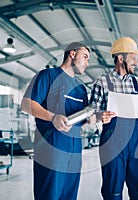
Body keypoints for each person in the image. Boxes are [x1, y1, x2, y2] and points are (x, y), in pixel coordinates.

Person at [21, 42, 90, 200]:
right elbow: (26, 104)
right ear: (72, 54)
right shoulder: (47, 76)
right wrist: (53, 117)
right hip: (51, 149)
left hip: (74, 152)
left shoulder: (81, 89)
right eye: (85, 57)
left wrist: (97, 117)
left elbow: (84, 119)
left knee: (69, 195)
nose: (87, 62)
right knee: (49, 194)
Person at [89, 37, 138, 200]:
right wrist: (100, 116)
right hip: (112, 142)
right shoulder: (102, 82)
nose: (136, 62)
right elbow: (90, 115)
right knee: (112, 190)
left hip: (136, 142)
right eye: (133, 57)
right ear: (121, 58)